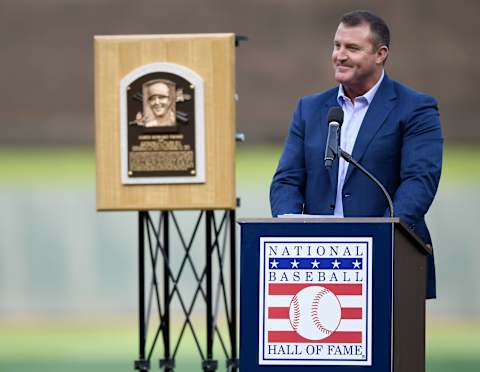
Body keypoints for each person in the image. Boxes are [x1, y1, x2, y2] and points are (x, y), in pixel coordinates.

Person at [269, 10, 443, 299]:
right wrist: (291, 229)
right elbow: (286, 180)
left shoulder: (416, 108)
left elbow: (419, 182)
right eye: (337, 45)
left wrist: (383, 236)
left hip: (388, 255)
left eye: (352, 48)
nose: (340, 55)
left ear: (380, 54)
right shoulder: (309, 108)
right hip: (315, 261)